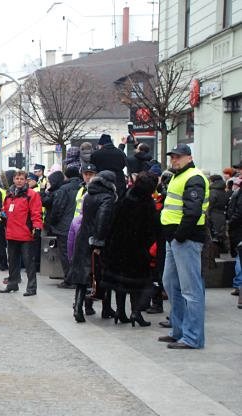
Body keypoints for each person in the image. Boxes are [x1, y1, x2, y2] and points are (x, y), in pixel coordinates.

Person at [158, 144, 209, 349]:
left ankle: (192, 337)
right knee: (171, 283)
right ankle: (179, 330)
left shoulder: (193, 177)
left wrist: (179, 235)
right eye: (172, 157)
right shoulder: (179, 176)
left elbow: (193, 210)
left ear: (189, 157)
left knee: (190, 289)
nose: (174, 160)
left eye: (178, 157)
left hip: (185, 239)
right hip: (176, 239)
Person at [101, 172, 159, 327]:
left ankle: (120, 311)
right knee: (137, 282)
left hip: (118, 246)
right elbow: (152, 228)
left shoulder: (125, 196)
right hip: (137, 249)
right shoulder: (147, 203)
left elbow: (112, 220)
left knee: (120, 280)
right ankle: (136, 312)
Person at [66, 170, 117, 323]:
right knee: (102, 274)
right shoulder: (107, 198)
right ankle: (106, 308)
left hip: (83, 237)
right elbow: (102, 221)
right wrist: (99, 241)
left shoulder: (88, 194)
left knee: (83, 275)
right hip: (97, 240)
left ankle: (78, 307)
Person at [0, 170, 43, 296]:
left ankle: (31, 288)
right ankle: (12, 284)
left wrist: (37, 227)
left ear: (25, 180)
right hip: (12, 233)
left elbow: (36, 213)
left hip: (25, 234)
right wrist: (3, 215)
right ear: (13, 179)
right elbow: (5, 209)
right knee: (12, 261)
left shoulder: (31, 195)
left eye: (22, 179)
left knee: (29, 262)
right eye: (17, 178)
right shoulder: (9, 194)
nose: (19, 181)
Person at [46, 166, 82, 288]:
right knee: (78, 253)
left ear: (66, 176)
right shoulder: (83, 187)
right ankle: (79, 279)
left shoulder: (64, 189)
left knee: (66, 253)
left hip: (64, 226)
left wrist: (53, 222)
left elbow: (57, 208)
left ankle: (69, 279)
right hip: (80, 224)